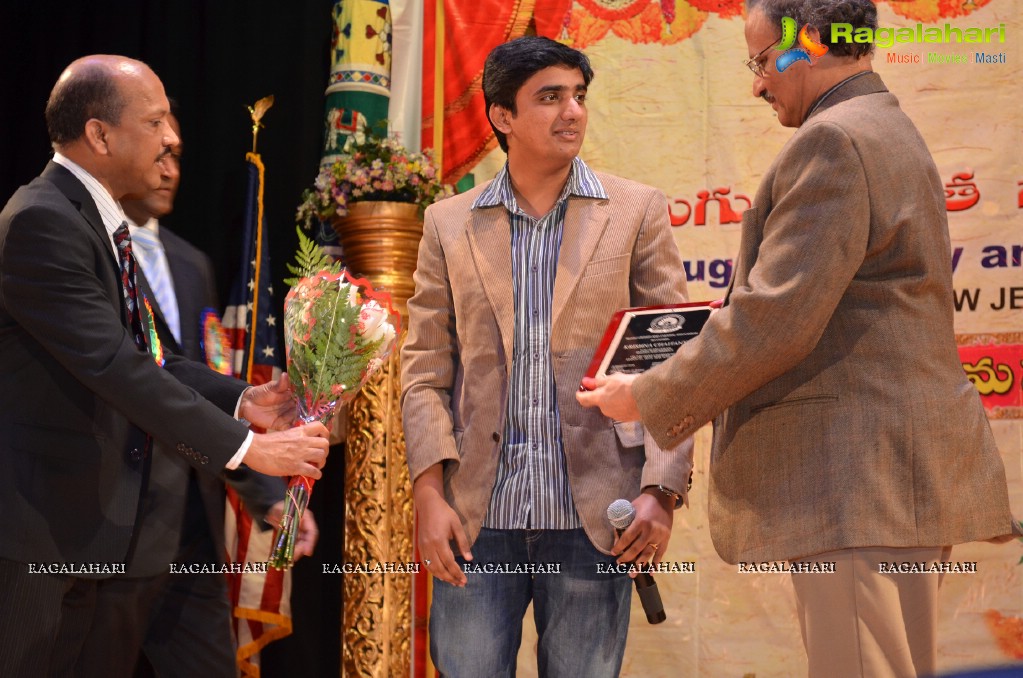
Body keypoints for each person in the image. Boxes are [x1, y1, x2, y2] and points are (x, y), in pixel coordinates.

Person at [576, 1, 1018, 676]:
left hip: (856, 485)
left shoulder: (833, 140)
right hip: (883, 485)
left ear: (808, 43)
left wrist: (648, 396)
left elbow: (773, 321)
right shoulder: (883, 127)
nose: (756, 84)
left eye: (760, 61)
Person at [0, 55, 329, 677]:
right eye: (155, 122)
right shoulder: (44, 220)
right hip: (36, 536)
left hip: (90, 535)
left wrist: (242, 402)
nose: (174, 137)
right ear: (100, 135)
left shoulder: (97, 224)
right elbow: (116, 365)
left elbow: (158, 357)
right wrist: (248, 451)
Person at [400, 36, 692, 677]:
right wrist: (427, 492)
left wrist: (661, 490)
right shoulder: (448, 224)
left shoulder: (634, 211)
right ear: (502, 116)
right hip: (476, 521)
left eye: (579, 96)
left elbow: (672, 366)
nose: (572, 112)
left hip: (596, 520)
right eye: (550, 97)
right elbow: (424, 369)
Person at [69, 105, 317, 678]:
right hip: (108, 521)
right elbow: (129, 375)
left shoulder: (191, 262)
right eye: (159, 152)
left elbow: (192, 380)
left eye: (177, 157)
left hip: (192, 526)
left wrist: (265, 491)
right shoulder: (79, 244)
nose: (170, 168)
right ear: (105, 144)